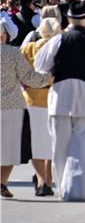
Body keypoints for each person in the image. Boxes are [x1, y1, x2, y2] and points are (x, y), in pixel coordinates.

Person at [34, 0, 85, 201]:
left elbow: (41, 65)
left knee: (59, 146)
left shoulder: (58, 40)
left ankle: (64, 187)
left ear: (68, 18)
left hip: (61, 95)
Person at [1, 17, 52, 199]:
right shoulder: (12, 53)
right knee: (10, 148)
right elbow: (28, 76)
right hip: (12, 105)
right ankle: (2, 182)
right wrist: (48, 78)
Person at [19, 17, 61, 196]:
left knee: (35, 142)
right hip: (54, 97)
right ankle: (48, 179)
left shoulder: (29, 48)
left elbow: (20, 71)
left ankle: (42, 179)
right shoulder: (60, 49)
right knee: (51, 142)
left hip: (32, 98)